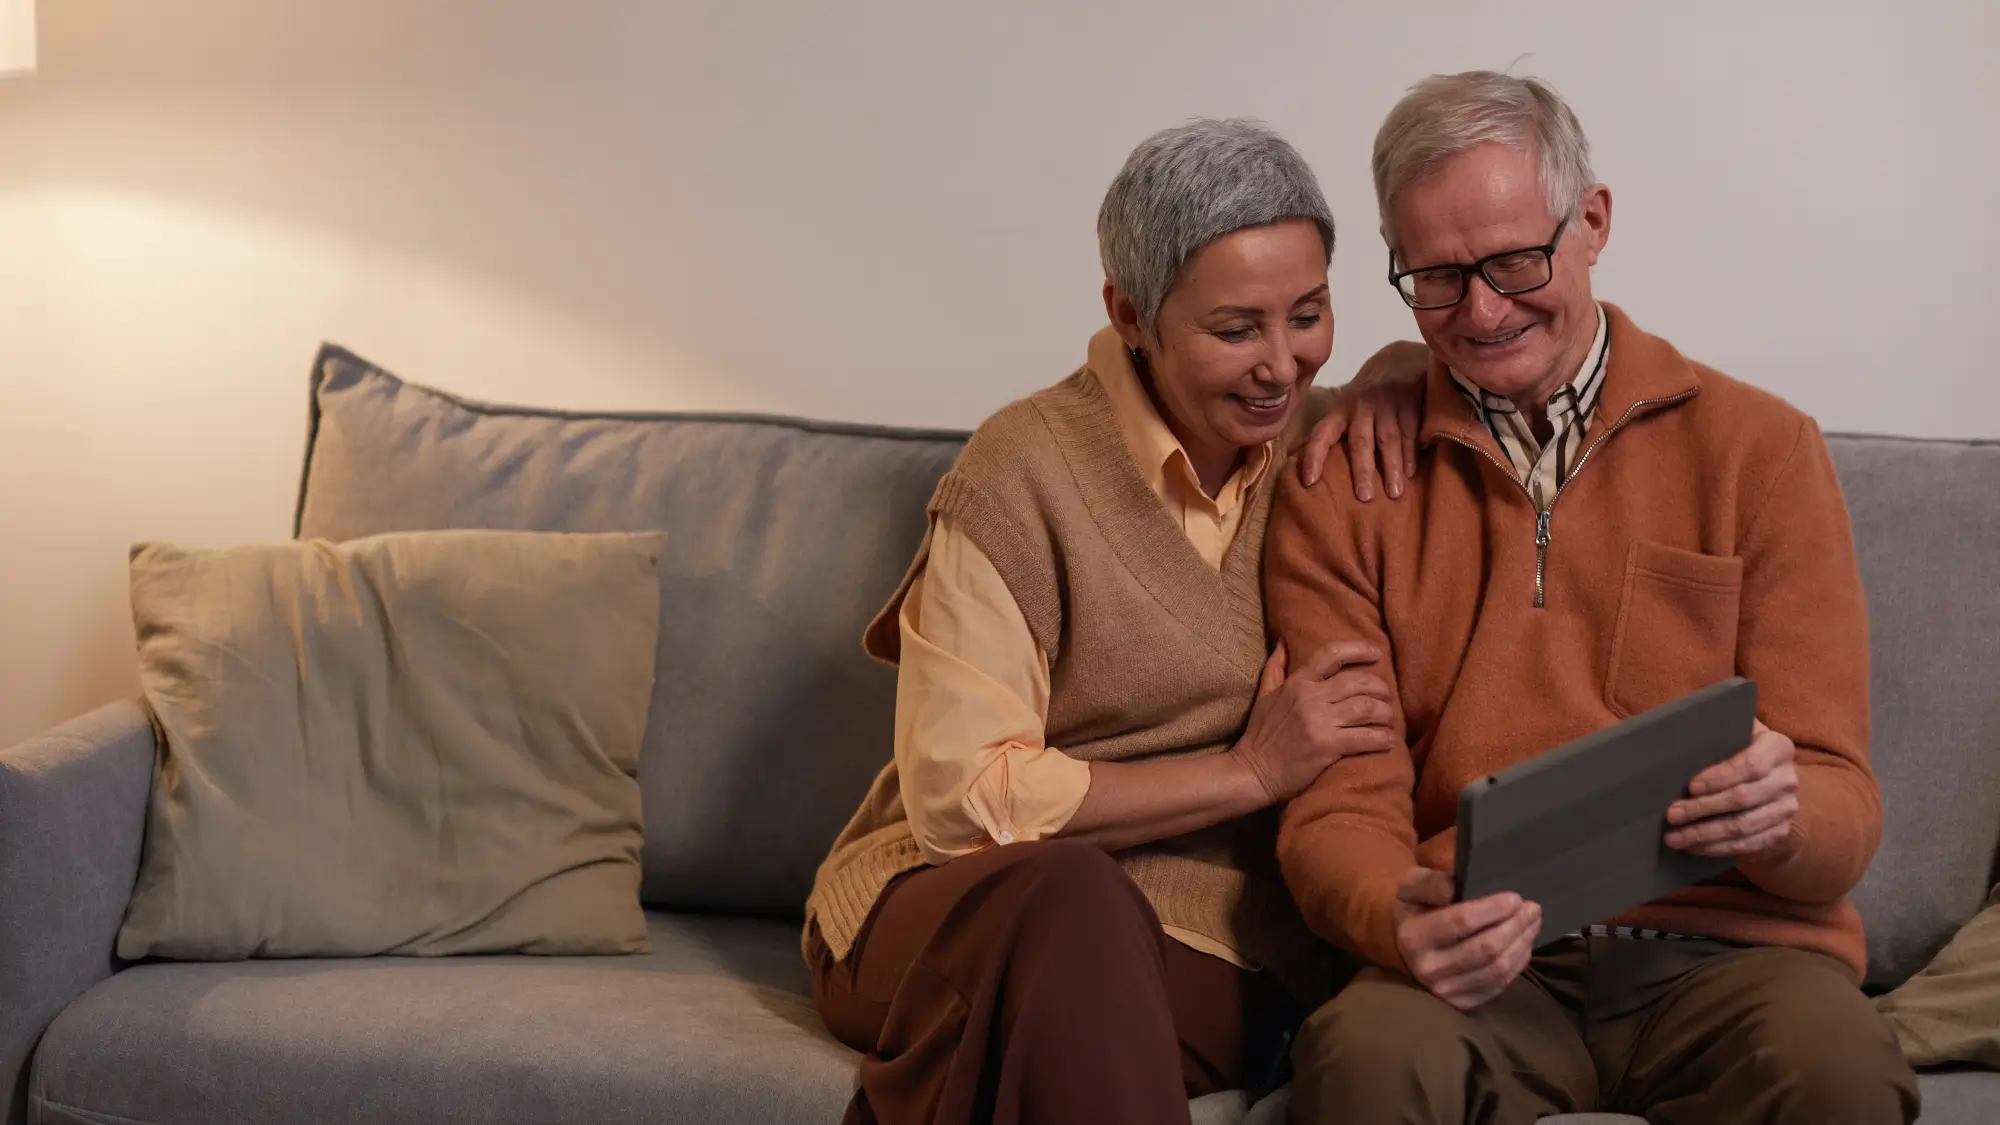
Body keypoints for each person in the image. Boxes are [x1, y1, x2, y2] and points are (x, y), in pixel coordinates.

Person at [1264, 71, 1922, 1125]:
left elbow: (1841, 801)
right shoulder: (1345, 478)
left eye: (1514, 261)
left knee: (1839, 1079)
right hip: (1480, 966)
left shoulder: (1759, 451)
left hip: (1726, 960)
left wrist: (1782, 814)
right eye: (1433, 279)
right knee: (1362, 1062)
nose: (1479, 312)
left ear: (1593, 222)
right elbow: (1338, 799)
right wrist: (1394, 914)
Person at [803, 118, 1427, 1125]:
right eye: (1235, 330)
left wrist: (1407, 369)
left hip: (1212, 947)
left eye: (1307, 314)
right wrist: (1248, 773)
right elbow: (962, 799)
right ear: (1129, 314)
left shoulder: (1331, 445)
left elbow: (1484, 363)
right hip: (953, 909)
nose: (1282, 364)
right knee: (1072, 898)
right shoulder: (1021, 470)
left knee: (1076, 984)